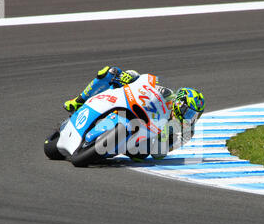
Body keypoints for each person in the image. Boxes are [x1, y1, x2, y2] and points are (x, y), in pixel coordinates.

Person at [63, 66, 205, 157]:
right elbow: (145, 82)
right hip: (137, 107)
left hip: (142, 140)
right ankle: (78, 101)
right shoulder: (168, 94)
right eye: (190, 113)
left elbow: (159, 154)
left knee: (141, 155)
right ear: (180, 104)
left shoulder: (184, 131)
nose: (190, 118)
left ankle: (109, 149)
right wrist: (130, 77)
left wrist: (169, 137)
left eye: (194, 116)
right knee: (110, 72)